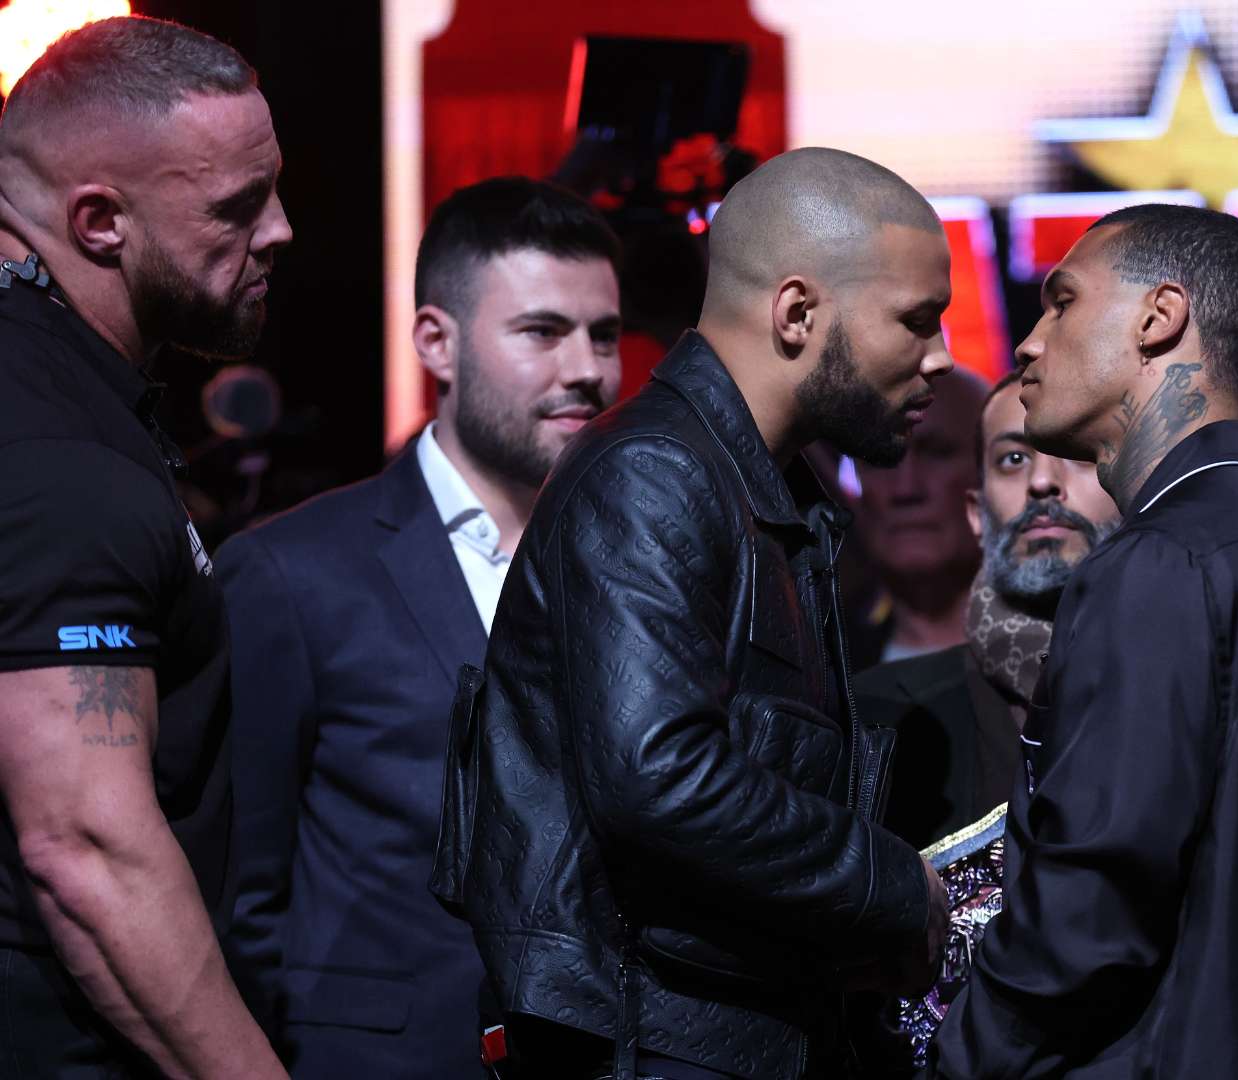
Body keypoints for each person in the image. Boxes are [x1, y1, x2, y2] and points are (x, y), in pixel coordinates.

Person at [437, 147, 952, 1080]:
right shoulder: (656, 473)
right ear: (799, 314)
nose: (941, 356)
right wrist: (889, 884)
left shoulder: (770, 491)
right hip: (649, 1048)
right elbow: (659, 775)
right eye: (917, 321)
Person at [932, 203, 1238, 1077]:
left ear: (1158, 318)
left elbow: (1090, 911)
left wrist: (963, 1058)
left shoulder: (1157, 561)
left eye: (1061, 302)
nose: (1027, 343)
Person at [218, 178, 621, 1077]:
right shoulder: (294, 573)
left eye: (603, 333)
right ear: (436, 342)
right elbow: (240, 892)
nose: (586, 368)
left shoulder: (639, 562)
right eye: (542, 331)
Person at [0, 16, 291, 1079]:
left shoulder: (54, 396)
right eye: (236, 208)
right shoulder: (53, 450)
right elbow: (88, 855)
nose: (281, 232)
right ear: (99, 220)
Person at [857, 369, 1121, 850]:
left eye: (1077, 452)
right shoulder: (875, 719)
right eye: (1013, 458)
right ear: (977, 513)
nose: (1043, 481)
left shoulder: (1202, 675)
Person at [846, 370, 990, 670]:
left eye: (937, 453)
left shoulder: (1063, 652)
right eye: (880, 458)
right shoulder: (824, 673)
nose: (905, 488)